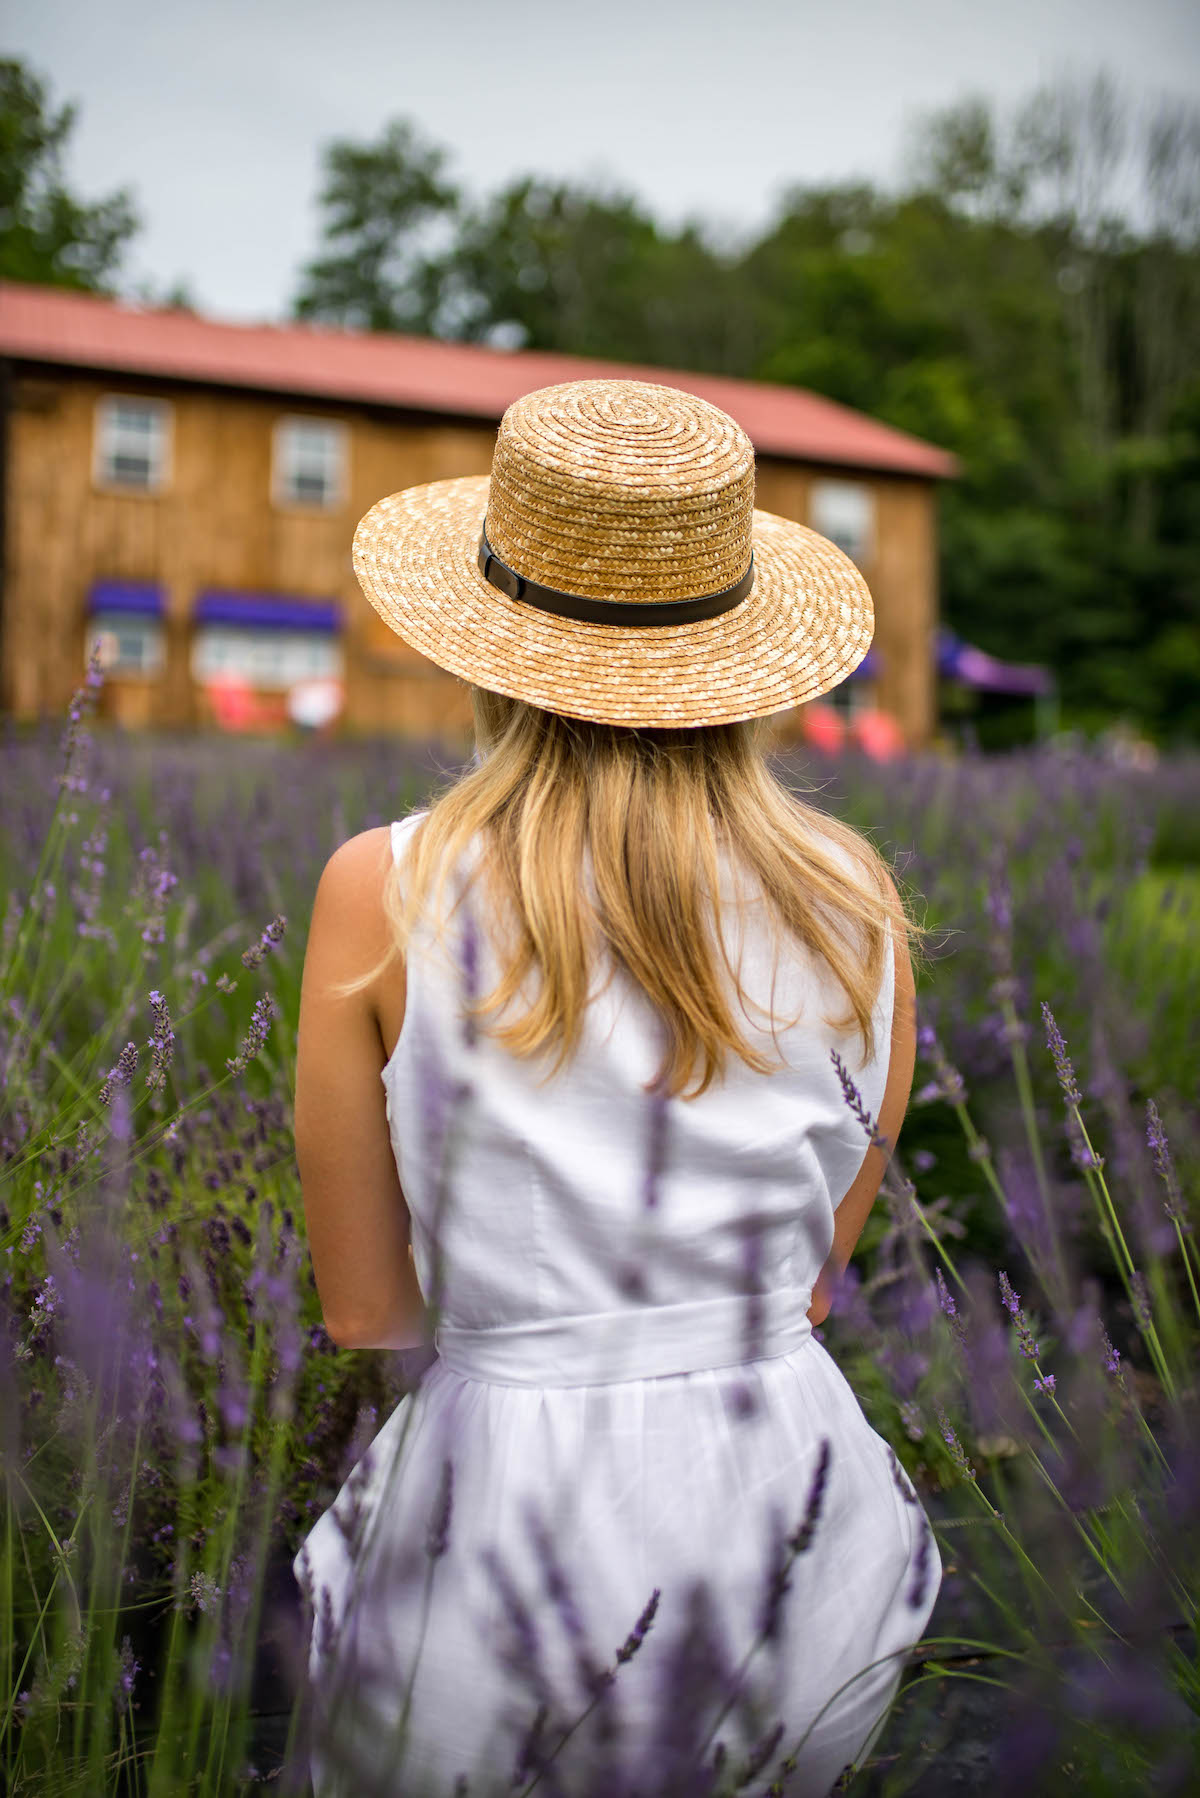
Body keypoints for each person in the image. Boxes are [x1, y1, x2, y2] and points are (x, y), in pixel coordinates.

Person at [291, 380, 942, 1797]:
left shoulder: (381, 889)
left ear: (492, 642)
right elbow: (821, 1265)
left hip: (509, 1526)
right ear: (740, 645)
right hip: (800, 1521)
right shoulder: (862, 900)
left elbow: (363, 1311)